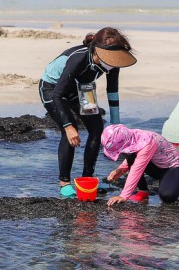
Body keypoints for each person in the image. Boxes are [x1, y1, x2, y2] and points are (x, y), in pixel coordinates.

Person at [39, 27, 137, 191]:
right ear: (97, 52)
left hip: (84, 88)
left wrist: (115, 123)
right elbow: (58, 95)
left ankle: (86, 179)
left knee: (97, 128)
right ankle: (64, 182)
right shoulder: (78, 59)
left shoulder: (114, 62)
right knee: (70, 131)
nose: (113, 62)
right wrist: (68, 126)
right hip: (53, 88)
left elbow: (112, 91)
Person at [102, 124, 179, 206]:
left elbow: (137, 168)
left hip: (172, 167)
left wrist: (123, 196)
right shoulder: (130, 136)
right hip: (154, 163)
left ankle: (174, 179)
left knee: (168, 196)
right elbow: (134, 157)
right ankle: (143, 191)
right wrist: (121, 170)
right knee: (129, 154)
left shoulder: (147, 142)